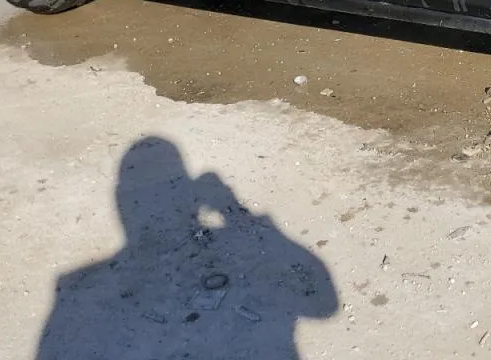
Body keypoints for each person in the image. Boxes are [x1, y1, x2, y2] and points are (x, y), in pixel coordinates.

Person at [37, 136, 337, 359]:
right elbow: (323, 305)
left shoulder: (74, 287)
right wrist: (232, 208)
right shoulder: (75, 287)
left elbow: (325, 306)